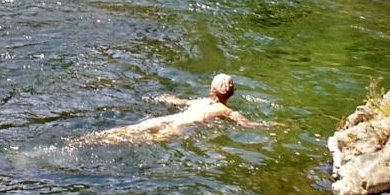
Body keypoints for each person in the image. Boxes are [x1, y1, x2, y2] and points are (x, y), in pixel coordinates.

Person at [83, 73, 266, 144]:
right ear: (231, 93)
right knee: (144, 140)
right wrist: (271, 125)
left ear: (211, 90)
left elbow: (180, 102)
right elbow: (247, 124)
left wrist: (167, 98)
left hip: (169, 119)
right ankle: (99, 143)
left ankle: (90, 139)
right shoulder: (225, 110)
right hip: (183, 127)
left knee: (130, 130)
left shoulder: (200, 101)